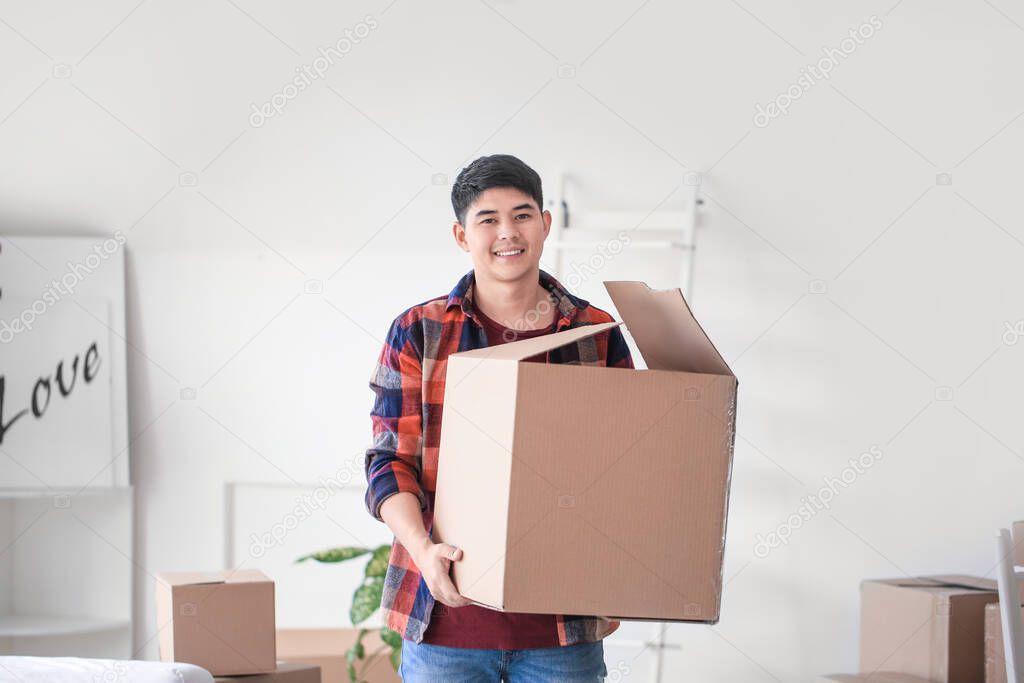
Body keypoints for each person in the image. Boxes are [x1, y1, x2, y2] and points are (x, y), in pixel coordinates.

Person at [363, 153, 635, 682]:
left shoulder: (593, 331)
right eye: (488, 219)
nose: (507, 232)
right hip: (446, 625)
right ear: (462, 236)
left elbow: (626, 465)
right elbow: (388, 461)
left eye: (522, 214)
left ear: (545, 224)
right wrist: (422, 550)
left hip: (561, 631)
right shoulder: (420, 331)